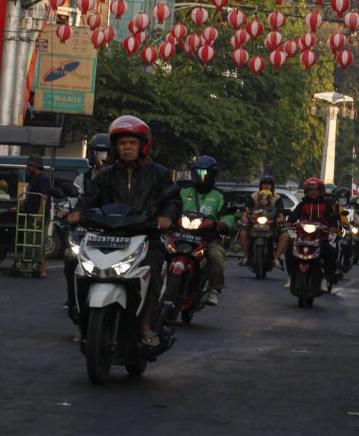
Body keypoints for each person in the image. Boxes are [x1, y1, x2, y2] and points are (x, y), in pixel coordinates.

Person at [68, 115, 180, 348]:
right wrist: (77, 212)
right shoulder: (105, 175)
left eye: (132, 142)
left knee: (155, 266)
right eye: (122, 143)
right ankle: (82, 320)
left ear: (142, 145)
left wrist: (167, 217)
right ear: (115, 147)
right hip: (105, 236)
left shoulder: (158, 173)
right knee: (74, 264)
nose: (127, 147)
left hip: (145, 236)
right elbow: (88, 199)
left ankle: (145, 324)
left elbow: (172, 200)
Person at [62, 133, 112, 317]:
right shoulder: (82, 179)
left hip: (113, 231)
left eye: (106, 153)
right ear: (91, 154)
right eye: (99, 153)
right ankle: (73, 299)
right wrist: (71, 213)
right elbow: (75, 203)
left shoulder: (120, 178)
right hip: (86, 231)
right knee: (70, 259)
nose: (102, 158)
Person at [178, 155, 234, 305]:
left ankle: (214, 290)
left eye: (205, 174)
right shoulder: (183, 191)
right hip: (180, 235)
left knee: (216, 255)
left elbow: (228, 215)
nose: (201, 177)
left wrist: (223, 224)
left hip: (207, 237)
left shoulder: (219, 195)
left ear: (213, 175)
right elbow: (171, 206)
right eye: (198, 173)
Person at [277, 177, 338, 287]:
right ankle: (292, 277)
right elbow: (294, 215)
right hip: (302, 238)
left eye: (315, 190)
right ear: (306, 191)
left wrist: (333, 226)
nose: (313, 192)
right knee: (289, 250)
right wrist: (289, 222)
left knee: (332, 253)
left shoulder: (326, 205)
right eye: (310, 190)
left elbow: (332, 217)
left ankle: (326, 278)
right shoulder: (302, 204)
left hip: (320, 238)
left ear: (321, 191)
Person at [240, 173, 284, 267]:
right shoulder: (254, 196)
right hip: (254, 223)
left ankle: (276, 259)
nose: (266, 186)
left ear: (272, 186)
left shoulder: (277, 197)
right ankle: (246, 257)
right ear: (261, 185)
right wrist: (244, 216)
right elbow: (246, 209)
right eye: (264, 184)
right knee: (243, 233)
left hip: (272, 224)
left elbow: (280, 212)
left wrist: (280, 218)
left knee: (286, 236)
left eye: (268, 184)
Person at [21, 154, 51, 277]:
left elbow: (43, 198)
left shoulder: (43, 178)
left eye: (29, 165)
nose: (27, 167)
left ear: (34, 166)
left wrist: (39, 215)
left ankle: (41, 268)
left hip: (40, 214)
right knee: (28, 238)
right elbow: (30, 193)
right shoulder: (32, 177)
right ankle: (26, 265)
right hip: (31, 212)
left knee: (39, 240)